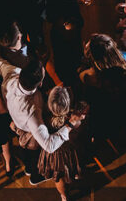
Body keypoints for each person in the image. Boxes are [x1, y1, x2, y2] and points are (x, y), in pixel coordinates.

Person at [6, 57, 78, 185]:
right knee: (35, 159)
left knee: (28, 157)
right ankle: (35, 176)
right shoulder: (33, 113)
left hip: (20, 124)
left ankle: (28, 168)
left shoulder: (12, 78)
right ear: (40, 84)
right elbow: (49, 145)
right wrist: (71, 124)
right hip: (31, 135)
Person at [79, 34, 126, 139]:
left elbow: (80, 74)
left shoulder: (90, 76)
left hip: (102, 113)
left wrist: (85, 58)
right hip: (122, 106)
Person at [36, 86, 85, 201]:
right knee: (71, 170)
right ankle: (74, 179)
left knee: (59, 177)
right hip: (71, 151)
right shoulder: (74, 119)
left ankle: (64, 197)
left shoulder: (43, 118)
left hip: (54, 155)